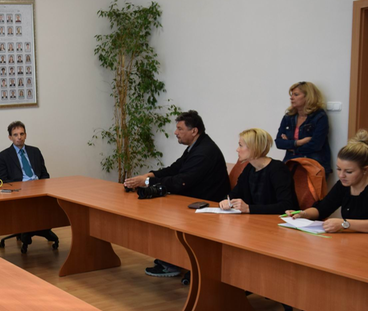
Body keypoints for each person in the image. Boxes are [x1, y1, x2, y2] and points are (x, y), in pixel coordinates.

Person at [277, 130, 368, 311]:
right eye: (339, 169)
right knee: (314, 266)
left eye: (348, 171)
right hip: (349, 247)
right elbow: (323, 208)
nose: (342, 175)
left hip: (362, 252)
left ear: (365, 170)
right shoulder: (344, 186)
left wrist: (345, 224)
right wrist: (303, 213)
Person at [124, 110, 229, 277]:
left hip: (207, 203)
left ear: (194, 131)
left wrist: (146, 182)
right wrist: (149, 175)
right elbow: (175, 168)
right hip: (193, 198)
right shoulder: (196, 146)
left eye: (180, 129)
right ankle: (171, 261)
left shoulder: (204, 151)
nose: (175, 132)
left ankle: (174, 263)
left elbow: (181, 181)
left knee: (165, 215)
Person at [0, 121, 58, 249]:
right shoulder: (3, 156)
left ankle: (42, 227)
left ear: (26, 135)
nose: (19, 137)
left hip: (38, 188)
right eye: (15, 134)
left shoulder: (35, 151)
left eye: (22, 134)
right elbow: (2, 180)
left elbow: (45, 174)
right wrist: (20, 187)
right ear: (10, 137)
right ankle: (26, 229)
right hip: (19, 191)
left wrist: (42, 185)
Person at [218, 128, 298, 214]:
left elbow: (286, 205)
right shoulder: (249, 168)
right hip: (255, 218)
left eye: (241, 145)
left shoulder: (278, 169)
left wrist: (249, 208)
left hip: (279, 219)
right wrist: (226, 201)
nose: (237, 149)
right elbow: (235, 193)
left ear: (254, 148)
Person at [275, 81, 332, 174]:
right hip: (290, 162)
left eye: (296, 94)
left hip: (313, 163)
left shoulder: (319, 116)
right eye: (292, 95)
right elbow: (279, 142)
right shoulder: (289, 117)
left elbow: (316, 145)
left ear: (308, 97)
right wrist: (299, 142)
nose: (291, 98)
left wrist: (291, 146)